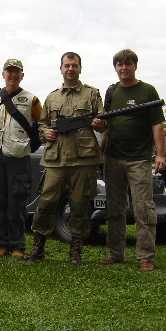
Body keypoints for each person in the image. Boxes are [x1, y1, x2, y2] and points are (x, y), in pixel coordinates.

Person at [24, 52, 105, 264]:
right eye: (67, 65)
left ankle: (76, 250)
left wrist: (100, 123)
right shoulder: (52, 97)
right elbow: (42, 124)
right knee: (45, 203)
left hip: (83, 158)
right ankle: (38, 247)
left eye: (74, 65)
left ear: (80, 68)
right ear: (61, 68)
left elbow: (103, 122)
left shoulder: (92, 94)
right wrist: (46, 133)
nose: (70, 69)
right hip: (56, 158)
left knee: (79, 205)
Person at [98, 49, 166, 272]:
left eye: (128, 64)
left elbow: (157, 125)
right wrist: (100, 150)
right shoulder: (112, 91)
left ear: (135, 66)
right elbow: (107, 125)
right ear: (115, 67)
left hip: (139, 160)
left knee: (143, 208)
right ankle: (115, 253)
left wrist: (160, 154)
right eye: (119, 64)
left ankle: (146, 256)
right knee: (114, 208)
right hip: (113, 158)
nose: (124, 68)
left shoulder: (148, 91)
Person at [0, 58, 42, 257]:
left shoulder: (32, 99)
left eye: (17, 72)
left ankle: (17, 246)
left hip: (18, 155)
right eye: (9, 71)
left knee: (17, 200)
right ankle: (0, 245)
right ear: (3, 74)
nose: (13, 75)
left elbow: (40, 124)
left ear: (22, 75)